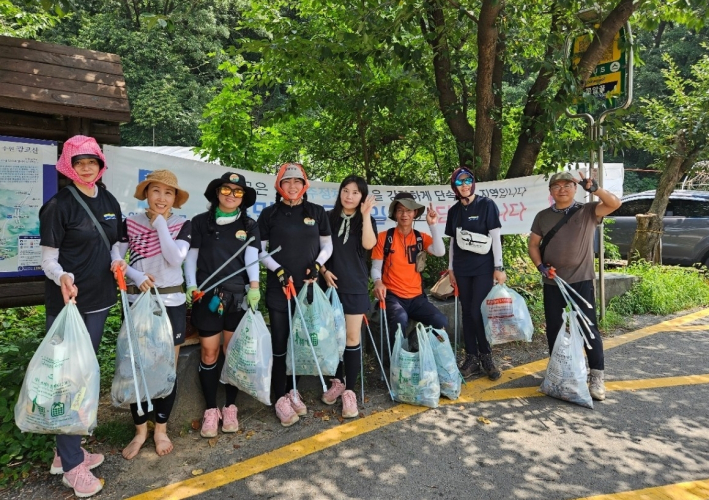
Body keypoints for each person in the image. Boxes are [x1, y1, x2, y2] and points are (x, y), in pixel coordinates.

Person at [39, 135, 124, 497]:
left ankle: (64, 453)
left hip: (100, 302)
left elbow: (116, 241)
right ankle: (73, 466)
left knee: (84, 376)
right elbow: (48, 259)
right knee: (69, 382)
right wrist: (62, 277)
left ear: (100, 164)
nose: (86, 168)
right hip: (68, 308)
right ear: (68, 167)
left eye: (92, 161)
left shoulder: (108, 199)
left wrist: (118, 258)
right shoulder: (58, 205)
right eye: (79, 163)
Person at [111, 170, 191, 459]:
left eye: (168, 193)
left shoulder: (182, 223)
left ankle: (160, 429)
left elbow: (175, 258)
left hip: (171, 301)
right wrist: (134, 273)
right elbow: (117, 257)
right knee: (137, 366)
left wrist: (159, 225)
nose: (162, 198)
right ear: (146, 193)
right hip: (137, 301)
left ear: (174, 199)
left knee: (167, 366)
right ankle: (140, 431)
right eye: (156, 191)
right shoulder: (130, 222)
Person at [528, 171, 622, 401]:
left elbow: (614, 204)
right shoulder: (542, 216)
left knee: (588, 329)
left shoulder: (587, 211)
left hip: (581, 280)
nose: (562, 189)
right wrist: (540, 266)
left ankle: (597, 376)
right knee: (554, 329)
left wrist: (595, 189)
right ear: (550, 191)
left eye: (567, 185)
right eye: (556, 186)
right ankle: (558, 374)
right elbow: (533, 245)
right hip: (553, 282)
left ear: (575, 187)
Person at [184, 172, 261, 438]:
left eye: (237, 192)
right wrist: (191, 285)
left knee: (232, 351)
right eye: (226, 190)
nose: (231, 195)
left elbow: (252, 259)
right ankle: (210, 409)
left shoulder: (250, 225)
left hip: (237, 297)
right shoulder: (199, 222)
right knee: (209, 353)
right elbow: (191, 257)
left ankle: (230, 407)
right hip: (206, 296)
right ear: (217, 193)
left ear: (243, 198)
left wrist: (255, 288)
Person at [258, 162, 333, 426]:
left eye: (297, 182)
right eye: (287, 181)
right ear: (279, 185)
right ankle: (280, 397)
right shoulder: (269, 214)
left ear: (305, 185)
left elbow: (327, 245)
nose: (292, 186)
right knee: (280, 342)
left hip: (309, 288)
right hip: (280, 290)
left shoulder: (316, 212)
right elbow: (261, 251)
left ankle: (293, 390)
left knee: (301, 343)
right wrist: (277, 270)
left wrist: (317, 265)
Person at [319, 176, 377, 418]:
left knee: (351, 338)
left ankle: (349, 391)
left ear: (361, 196)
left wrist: (364, 216)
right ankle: (338, 381)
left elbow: (369, 244)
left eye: (355, 192)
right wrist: (323, 271)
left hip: (355, 285)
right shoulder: (327, 218)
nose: (349, 196)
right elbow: (318, 250)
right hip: (330, 284)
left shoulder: (367, 219)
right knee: (333, 337)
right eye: (345, 190)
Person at [445, 167, 506, 381]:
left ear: (473, 183)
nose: (465, 185)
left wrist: (498, 268)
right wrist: (451, 268)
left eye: (468, 180)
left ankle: (486, 356)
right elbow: (452, 242)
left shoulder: (487, 205)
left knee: (476, 310)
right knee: (466, 311)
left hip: (483, 267)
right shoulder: (453, 212)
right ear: (455, 187)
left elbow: (496, 237)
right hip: (461, 269)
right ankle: (471, 357)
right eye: (459, 182)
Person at [371, 192, 447, 348]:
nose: (404, 214)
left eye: (408, 210)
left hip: (417, 298)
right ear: (395, 213)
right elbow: (375, 268)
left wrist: (433, 225)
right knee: (400, 320)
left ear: (415, 213)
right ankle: (396, 361)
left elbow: (440, 252)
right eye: (400, 210)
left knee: (441, 322)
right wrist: (378, 282)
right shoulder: (384, 238)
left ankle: (419, 347)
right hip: (393, 296)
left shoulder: (421, 238)